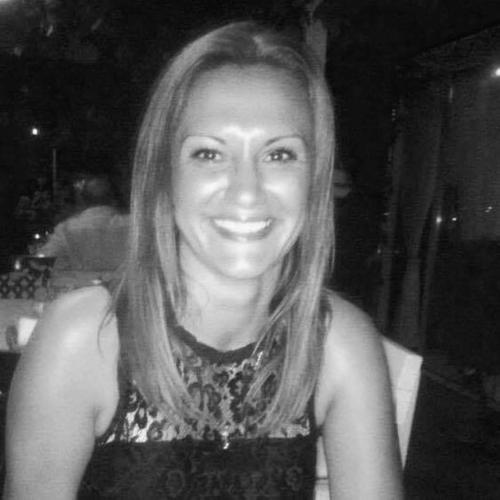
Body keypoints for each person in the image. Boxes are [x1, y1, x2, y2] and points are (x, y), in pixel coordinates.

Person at [4, 21, 403, 499]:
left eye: (279, 155)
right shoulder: (85, 340)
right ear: (164, 175)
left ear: (316, 179)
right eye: (209, 154)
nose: (246, 191)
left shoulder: (341, 343)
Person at [36, 173, 129, 271]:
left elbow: (41, 263)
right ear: (115, 199)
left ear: (82, 200)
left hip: (80, 280)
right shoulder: (133, 226)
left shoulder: (66, 229)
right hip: (126, 281)